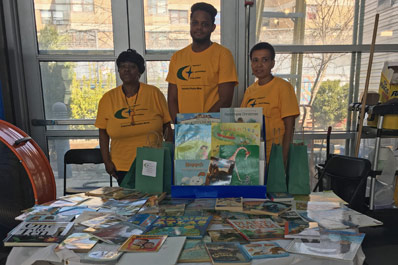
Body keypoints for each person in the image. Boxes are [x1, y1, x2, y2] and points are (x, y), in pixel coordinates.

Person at [95, 49, 172, 185]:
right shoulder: (108, 98)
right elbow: (103, 133)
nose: (126, 70)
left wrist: (168, 157)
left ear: (140, 71)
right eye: (123, 67)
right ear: (118, 71)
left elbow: (167, 126)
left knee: (153, 202)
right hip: (122, 165)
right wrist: (107, 162)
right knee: (129, 203)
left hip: (153, 161)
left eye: (132, 67)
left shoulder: (154, 93)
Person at [166, 2, 238, 123]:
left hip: (212, 128)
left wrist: (200, 123)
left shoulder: (223, 55)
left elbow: (226, 100)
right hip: (185, 130)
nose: (199, 28)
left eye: (205, 24)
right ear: (190, 25)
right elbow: (172, 99)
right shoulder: (177, 57)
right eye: (195, 23)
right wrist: (179, 125)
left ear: (213, 28)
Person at [241, 42, 299, 168]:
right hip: (253, 156)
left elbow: (290, 125)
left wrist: (284, 156)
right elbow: (242, 123)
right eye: (255, 60)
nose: (259, 65)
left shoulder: (283, 87)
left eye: (264, 60)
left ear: (272, 63)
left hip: (275, 155)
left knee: (274, 188)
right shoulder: (250, 91)